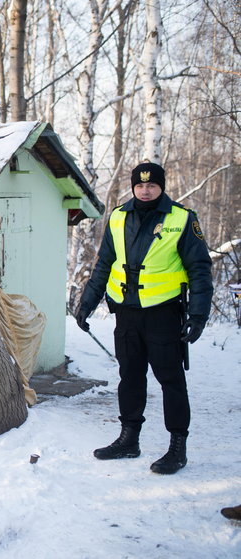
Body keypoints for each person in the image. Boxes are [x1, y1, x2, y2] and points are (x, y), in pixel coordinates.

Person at [74, 162, 213, 475]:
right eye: (140, 185)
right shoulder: (119, 217)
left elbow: (200, 270)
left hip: (164, 313)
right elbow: (103, 264)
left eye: (152, 185)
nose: (146, 190)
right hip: (127, 313)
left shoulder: (181, 219)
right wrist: (86, 304)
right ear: (133, 186)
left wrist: (198, 314)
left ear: (161, 186)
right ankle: (129, 439)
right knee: (130, 377)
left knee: (171, 381)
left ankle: (177, 446)